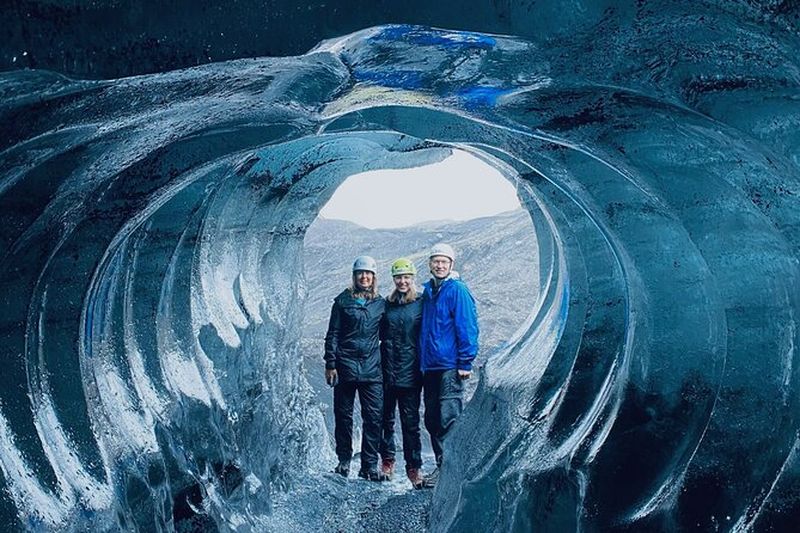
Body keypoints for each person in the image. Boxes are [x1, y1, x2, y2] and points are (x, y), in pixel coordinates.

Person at [419, 243, 479, 488]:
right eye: (436, 261)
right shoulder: (428, 291)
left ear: (451, 265)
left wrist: (465, 361)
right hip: (430, 366)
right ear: (430, 264)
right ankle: (443, 466)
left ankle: (453, 471)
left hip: (450, 366)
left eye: (444, 262)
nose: (440, 265)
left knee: (449, 417)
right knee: (432, 419)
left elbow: (467, 325)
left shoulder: (457, 290)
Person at [324, 255, 387, 481]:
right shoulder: (342, 302)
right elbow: (333, 334)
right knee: (343, 416)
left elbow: (388, 336)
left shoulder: (381, 304)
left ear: (374, 277)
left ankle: (369, 465)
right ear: (354, 276)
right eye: (361, 273)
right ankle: (343, 460)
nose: (364, 277)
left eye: (368, 274)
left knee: (373, 417)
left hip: (372, 369)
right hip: (345, 366)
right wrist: (330, 364)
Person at [378, 258, 425, 489]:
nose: (403, 281)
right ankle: (387, 460)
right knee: (385, 419)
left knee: (410, 423)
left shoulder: (421, 303)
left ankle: (413, 467)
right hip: (386, 371)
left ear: (413, 278)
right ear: (393, 279)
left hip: (411, 372)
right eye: (398, 277)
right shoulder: (387, 304)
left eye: (406, 277)